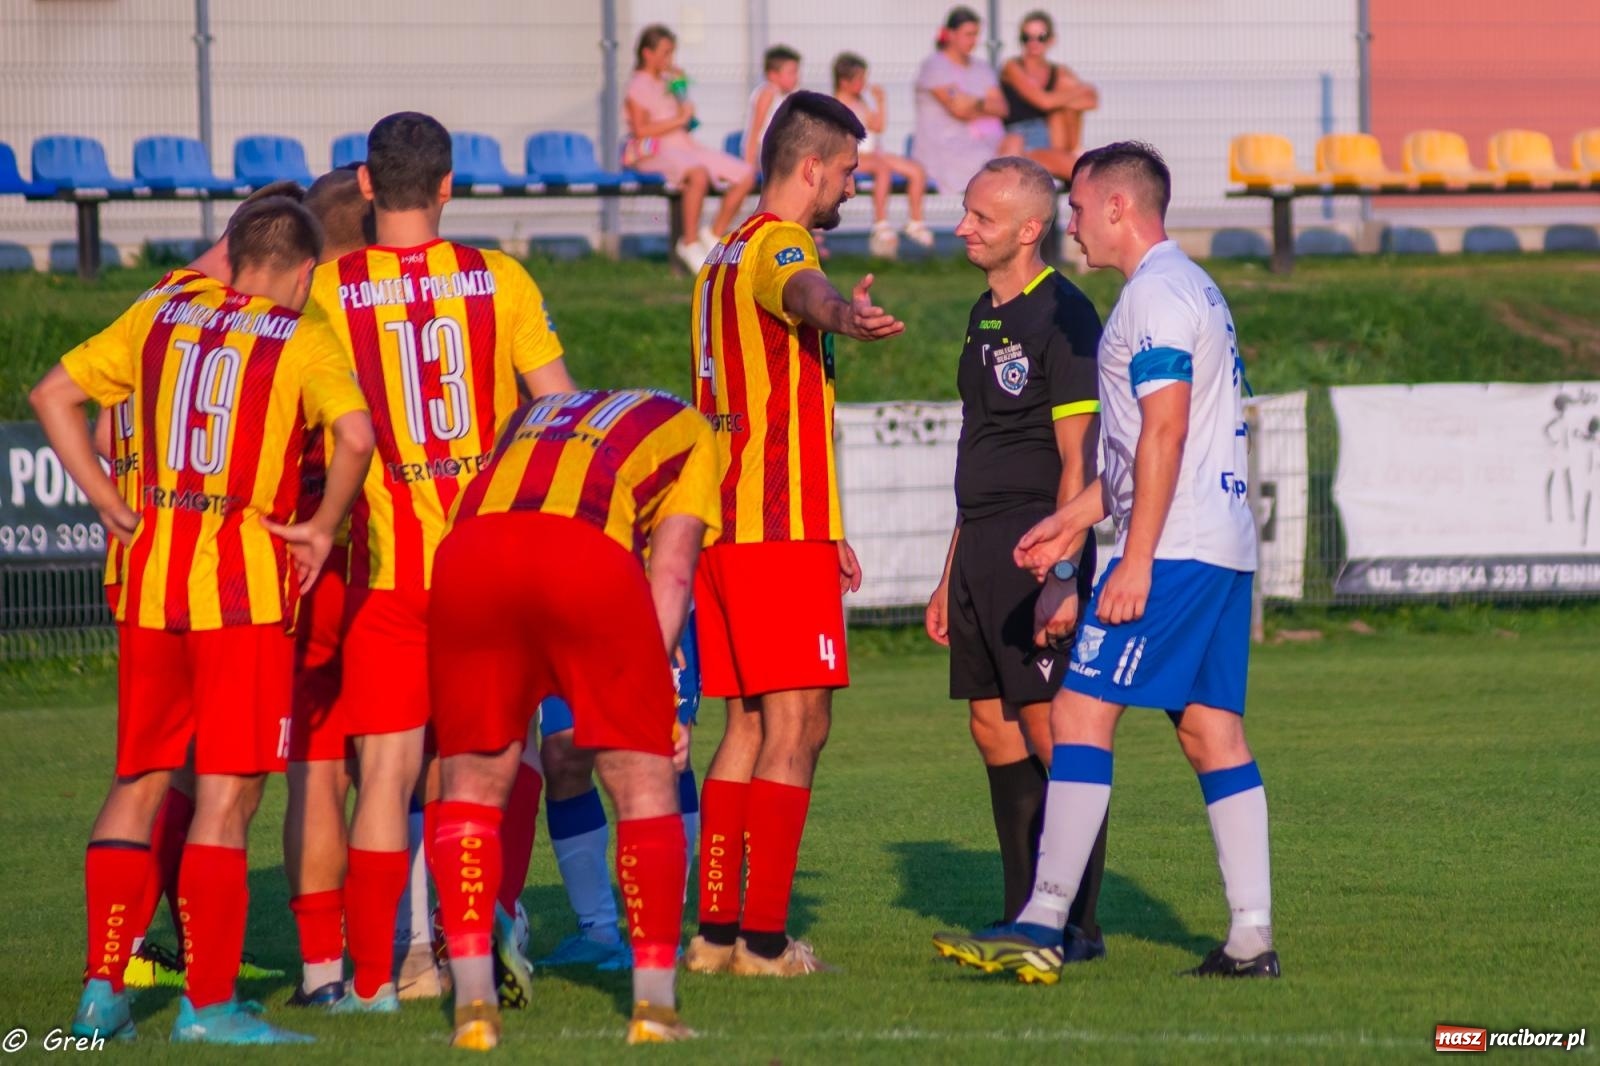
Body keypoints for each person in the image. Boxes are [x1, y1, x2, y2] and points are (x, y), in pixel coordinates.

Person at [932, 142, 1279, 984]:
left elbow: (1162, 431)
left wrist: (1135, 560)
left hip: (1179, 550)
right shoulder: (1187, 287)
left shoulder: (1153, 297)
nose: (1073, 226)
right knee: (1211, 734)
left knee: (1080, 715)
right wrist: (1071, 522)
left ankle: (1045, 922)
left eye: (1080, 210)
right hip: (1220, 545)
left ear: (1120, 208)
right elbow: (1141, 455)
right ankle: (1250, 939)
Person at [37, 196, 375, 1044]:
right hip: (243, 598)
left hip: (150, 586)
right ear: (303, 271)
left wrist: (109, 500)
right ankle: (209, 1005)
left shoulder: (161, 311)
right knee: (227, 796)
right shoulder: (301, 337)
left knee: (139, 780)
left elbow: (52, 395)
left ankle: (100, 993)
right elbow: (358, 436)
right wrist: (324, 526)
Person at [308, 111, 576, 1014]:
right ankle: (479, 936)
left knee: (382, 778)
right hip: (489, 575)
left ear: (370, 188)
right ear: (451, 186)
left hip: (394, 578)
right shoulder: (498, 278)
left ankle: (386, 975)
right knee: (484, 769)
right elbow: (560, 415)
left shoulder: (328, 289)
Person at [428, 387, 720, 1049]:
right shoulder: (690, 428)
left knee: (471, 788)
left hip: (469, 555)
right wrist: (661, 697)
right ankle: (655, 1009)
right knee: (642, 782)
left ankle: (474, 1006)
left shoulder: (529, 416)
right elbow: (672, 572)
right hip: (583, 555)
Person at [687, 90, 903, 977]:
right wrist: (843, 314)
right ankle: (765, 942)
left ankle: (714, 933)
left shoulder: (719, 253)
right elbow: (805, 291)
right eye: (849, 170)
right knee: (801, 725)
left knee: (744, 726)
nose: (853, 186)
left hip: (729, 529)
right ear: (810, 166)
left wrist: (832, 524)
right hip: (776, 532)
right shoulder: (780, 241)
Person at [97, 181, 305, 996]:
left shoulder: (163, 304)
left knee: (157, 772)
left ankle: (118, 970)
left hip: (148, 568)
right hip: (223, 577)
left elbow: (91, 406)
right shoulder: (234, 317)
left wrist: (117, 500)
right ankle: (187, 970)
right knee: (220, 781)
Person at [923, 157, 1109, 957]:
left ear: (1030, 231)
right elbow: (977, 444)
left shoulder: (1065, 314)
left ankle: (1076, 924)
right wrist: (948, 574)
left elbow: (1081, 458)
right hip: (980, 545)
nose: (964, 227)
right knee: (992, 728)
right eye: (965, 213)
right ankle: (1020, 913)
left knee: (1049, 731)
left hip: (1039, 545)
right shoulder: (982, 312)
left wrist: (1062, 573)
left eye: (982, 218)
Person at [532, 627, 701, 971]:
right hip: (567, 615)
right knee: (563, 757)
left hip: (652, 605)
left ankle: (661, 937)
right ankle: (598, 932)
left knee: (665, 758)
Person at [626, 24, 758, 272]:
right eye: (665, 53)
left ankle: (713, 233)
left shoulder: (669, 81)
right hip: (654, 150)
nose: (670, 60)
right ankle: (688, 242)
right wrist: (679, 119)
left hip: (684, 145)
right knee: (696, 174)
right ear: (647, 53)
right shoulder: (638, 86)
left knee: (744, 175)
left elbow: (686, 117)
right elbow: (640, 130)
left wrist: (681, 90)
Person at [912, 7, 1022, 204]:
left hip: (987, 143)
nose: (974, 41)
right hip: (950, 148)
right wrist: (986, 105)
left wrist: (975, 102)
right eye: (968, 34)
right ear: (951, 34)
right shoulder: (935, 66)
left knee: (1016, 143)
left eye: (976, 34)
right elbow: (959, 109)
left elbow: (1002, 108)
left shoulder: (981, 68)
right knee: (996, 170)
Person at [831, 51, 935, 258]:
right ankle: (881, 223)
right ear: (844, 82)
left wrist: (880, 102)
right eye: (859, 79)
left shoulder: (860, 101)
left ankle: (915, 222)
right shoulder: (837, 105)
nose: (864, 83)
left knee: (915, 170)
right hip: (852, 155)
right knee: (882, 169)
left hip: (873, 154)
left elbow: (877, 126)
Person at [1000, 10, 1100, 179]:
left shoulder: (1058, 71)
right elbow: (1043, 102)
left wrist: (1063, 99)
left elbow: (1091, 99)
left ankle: (1074, 152)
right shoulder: (1013, 67)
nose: (1033, 43)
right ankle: (1073, 165)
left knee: (1061, 111)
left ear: (1051, 40)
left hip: (1054, 136)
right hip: (1025, 138)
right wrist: (1074, 94)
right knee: (1083, 172)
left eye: (1041, 37)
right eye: (1027, 38)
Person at [744, 45, 802, 169]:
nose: (796, 77)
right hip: (763, 151)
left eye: (796, 72)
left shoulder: (787, 96)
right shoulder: (767, 93)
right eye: (791, 73)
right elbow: (755, 130)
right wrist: (748, 164)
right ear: (773, 75)